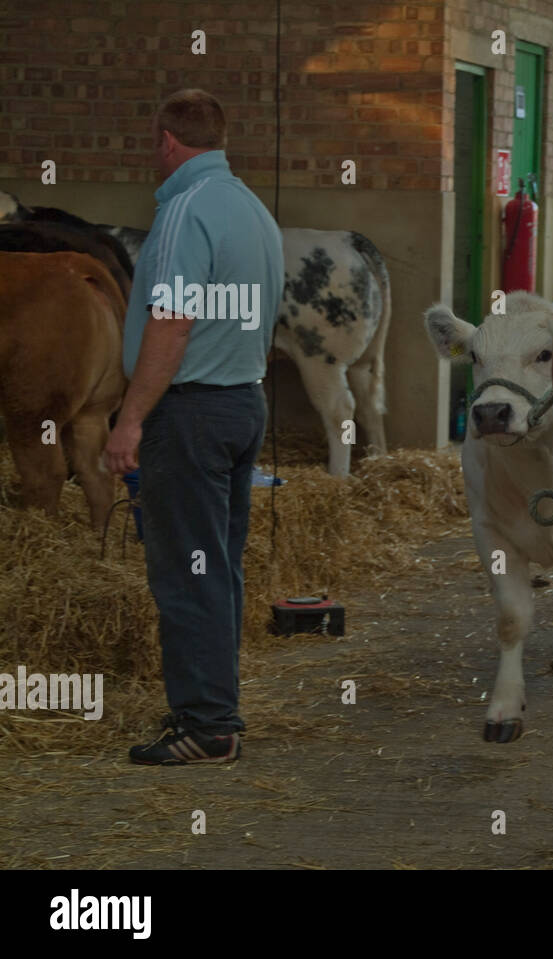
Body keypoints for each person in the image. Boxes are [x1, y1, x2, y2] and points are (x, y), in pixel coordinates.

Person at [103, 89, 284, 763]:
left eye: (153, 145)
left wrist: (130, 420)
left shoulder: (184, 211)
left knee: (186, 569)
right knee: (217, 566)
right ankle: (215, 709)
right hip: (243, 403)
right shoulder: (254, 212)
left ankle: (206, 723)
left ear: (167, 142)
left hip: (191, 411)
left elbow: (172, 322)